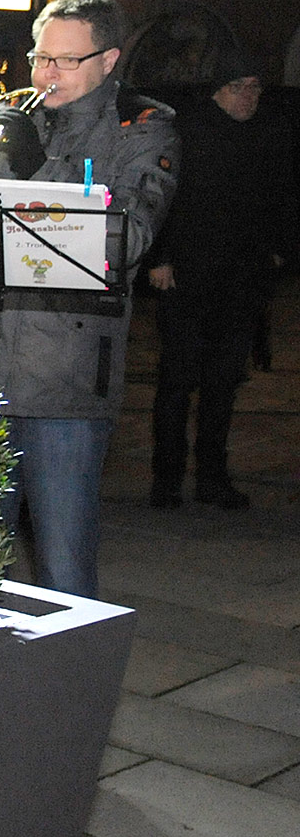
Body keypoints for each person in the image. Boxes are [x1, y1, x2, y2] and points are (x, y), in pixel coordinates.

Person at [0, 0, 179, 596]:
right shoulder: (2, 117)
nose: (47, 74)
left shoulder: (144, 127)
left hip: (66, 381)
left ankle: (65, 690)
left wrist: (30, 172)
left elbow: (123, 242)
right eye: (40, 58)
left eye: (66, 61)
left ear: (109, 60)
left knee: (64, 570)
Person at [145, 60, 296, 509]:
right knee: (177, 380)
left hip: (241, 277)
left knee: (223, 381)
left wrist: (278, 251)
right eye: (238, 87)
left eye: (254, 87)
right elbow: (160, 195)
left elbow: (283, 195)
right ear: (216, 91)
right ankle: (167, 479)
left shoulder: (268, 132)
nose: (248, 96)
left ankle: (213, 476)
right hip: (187, 275)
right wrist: (160, 257)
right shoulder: (185, 131)